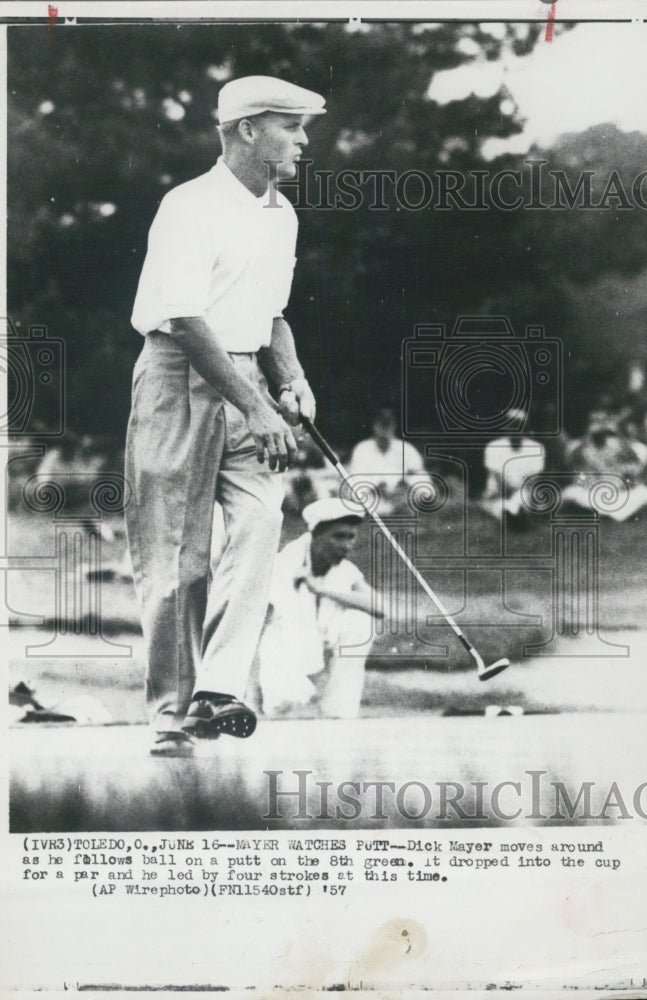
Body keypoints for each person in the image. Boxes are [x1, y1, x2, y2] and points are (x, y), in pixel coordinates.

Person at [124, 76, 326, 755]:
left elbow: (271, 318)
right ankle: (171, 716)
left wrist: (291, 382)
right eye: (291, 128)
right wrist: (256, 407)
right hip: (177, 374)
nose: (302, 142)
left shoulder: (282, 215)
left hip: (245, 379)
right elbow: (185, 319)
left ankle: (218, 689)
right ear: (247, 130)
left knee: (262, 522)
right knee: (178, 557)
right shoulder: (188, 205)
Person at [256, 498, 383, 719]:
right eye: (338, 536)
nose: (346, 545)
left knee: (361, 622)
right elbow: (255, 629)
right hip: (280, 647)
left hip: (318, 639)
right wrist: (250, 695)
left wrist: (322, 590)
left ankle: (338, 712)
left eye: (351, 536)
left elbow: (380, 607)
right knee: (284, 703)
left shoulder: (344, 569)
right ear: (315, 535)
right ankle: (268, 701)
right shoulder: (284, 563)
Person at [347, 408, 425, 514]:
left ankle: (398, 508)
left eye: (388, 424)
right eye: (381, 425)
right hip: (374, 496)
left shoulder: (406, 448)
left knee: (423, 488)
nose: (384, 429)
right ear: (374, 426)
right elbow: (356, 478)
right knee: (356, 494)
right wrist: (376, 488)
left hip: (401, 495)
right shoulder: (362, 449)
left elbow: (418, 473)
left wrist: (404, 485)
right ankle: (390, 510)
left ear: (394, 426)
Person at [480, 411, 546, 531]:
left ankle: (515, 514)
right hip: (498, 494)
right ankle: (514, 516)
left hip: (524, 494)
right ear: (506, 426)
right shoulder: (493, 448)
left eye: (520, 425)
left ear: (526, 427)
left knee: (522, 498)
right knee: (500, 506)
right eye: (512, 425)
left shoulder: (536, 448)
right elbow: (498, 477)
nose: (516, 429)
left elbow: (532, 480)